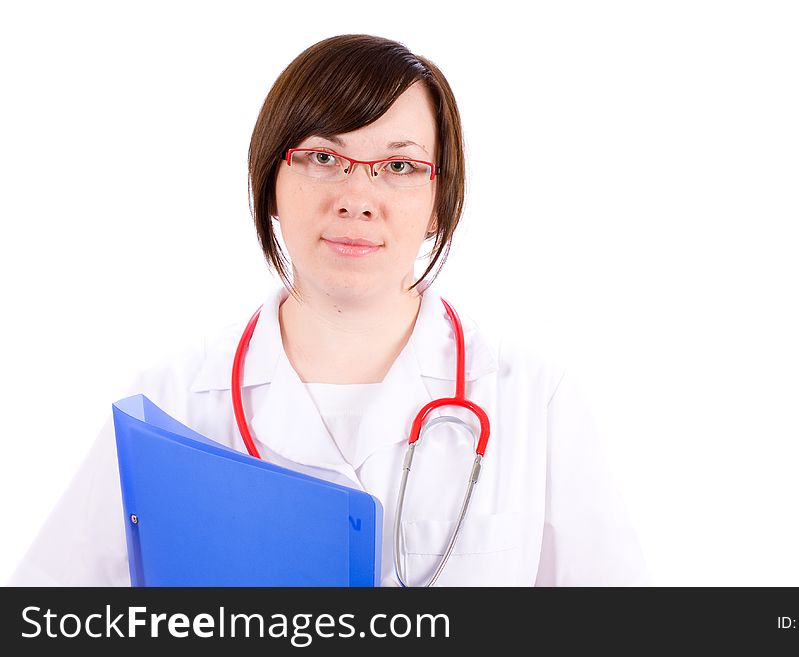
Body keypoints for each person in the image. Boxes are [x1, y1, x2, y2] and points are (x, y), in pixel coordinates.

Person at [7, 34, 649, 587]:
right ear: (270, 185)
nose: (357, 196)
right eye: (322, 157)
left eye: (398, 165)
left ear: (439, 200)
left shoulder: (532, 399)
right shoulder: (171, 403)